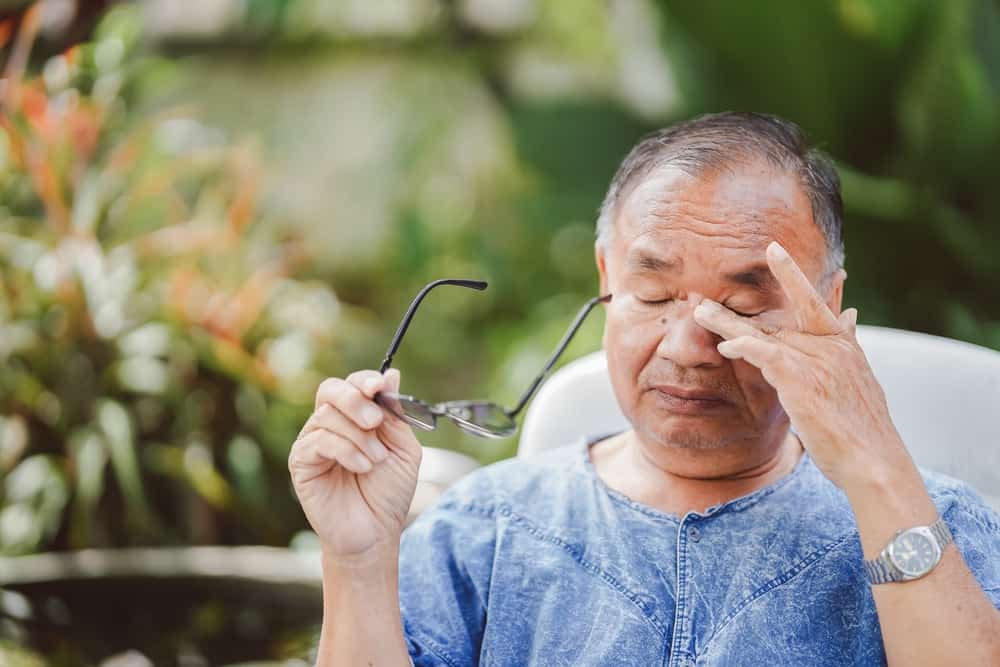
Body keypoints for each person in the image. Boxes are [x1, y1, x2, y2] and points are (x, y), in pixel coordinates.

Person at [288, 112, 1000, 666]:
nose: (688, 345)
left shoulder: (941, 525)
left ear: (829, 302)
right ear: (606, 279)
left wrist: (877, 468)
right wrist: (356, 561)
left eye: (743, 307)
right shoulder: (488, 531)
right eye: (655, 293)